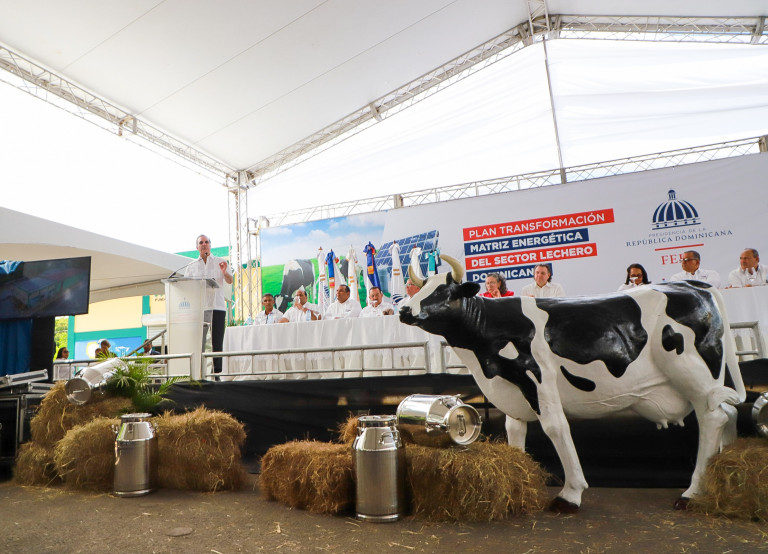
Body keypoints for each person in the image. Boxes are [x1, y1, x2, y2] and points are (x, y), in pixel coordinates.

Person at [183, 234, 233, 376]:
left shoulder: (221, 262)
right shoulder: (191, 266)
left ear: (210, 245)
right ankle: (199, 371)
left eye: (206, 242)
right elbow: (186, 286)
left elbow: (230, 280)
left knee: (217, 341)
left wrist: (225, 272)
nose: (204, 244)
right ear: (197, 247)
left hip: (217, 307)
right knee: (199, 341)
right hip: (200, 308)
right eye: (201, 242)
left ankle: (217, 373)